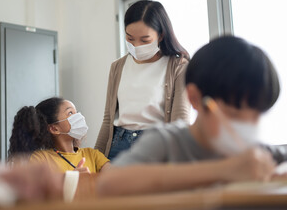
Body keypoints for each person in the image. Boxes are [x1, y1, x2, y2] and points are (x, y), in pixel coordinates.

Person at [96, 36, 287, 196]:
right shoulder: (167, 142)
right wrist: (225, 170)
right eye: (235, 114)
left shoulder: (254, 152)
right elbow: (109, 183)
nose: (248, 127)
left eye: (257, 117)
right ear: (195, 99)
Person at [95, 0, 190, 160]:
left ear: (161, 35)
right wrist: (95, 158)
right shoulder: (117, 67)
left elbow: (180, 121)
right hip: (118, 145)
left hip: (156, 146)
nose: (137, 46)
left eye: (145, 40)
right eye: (130, 38)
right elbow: (107, 120)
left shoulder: (178, 66)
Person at [8, 97, 110, 173]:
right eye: (70, 113)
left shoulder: (93, 155)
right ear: (54, 128)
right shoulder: (39, 159)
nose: (79, 117)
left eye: (76, 112)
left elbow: (114, 178)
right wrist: (71, 180)